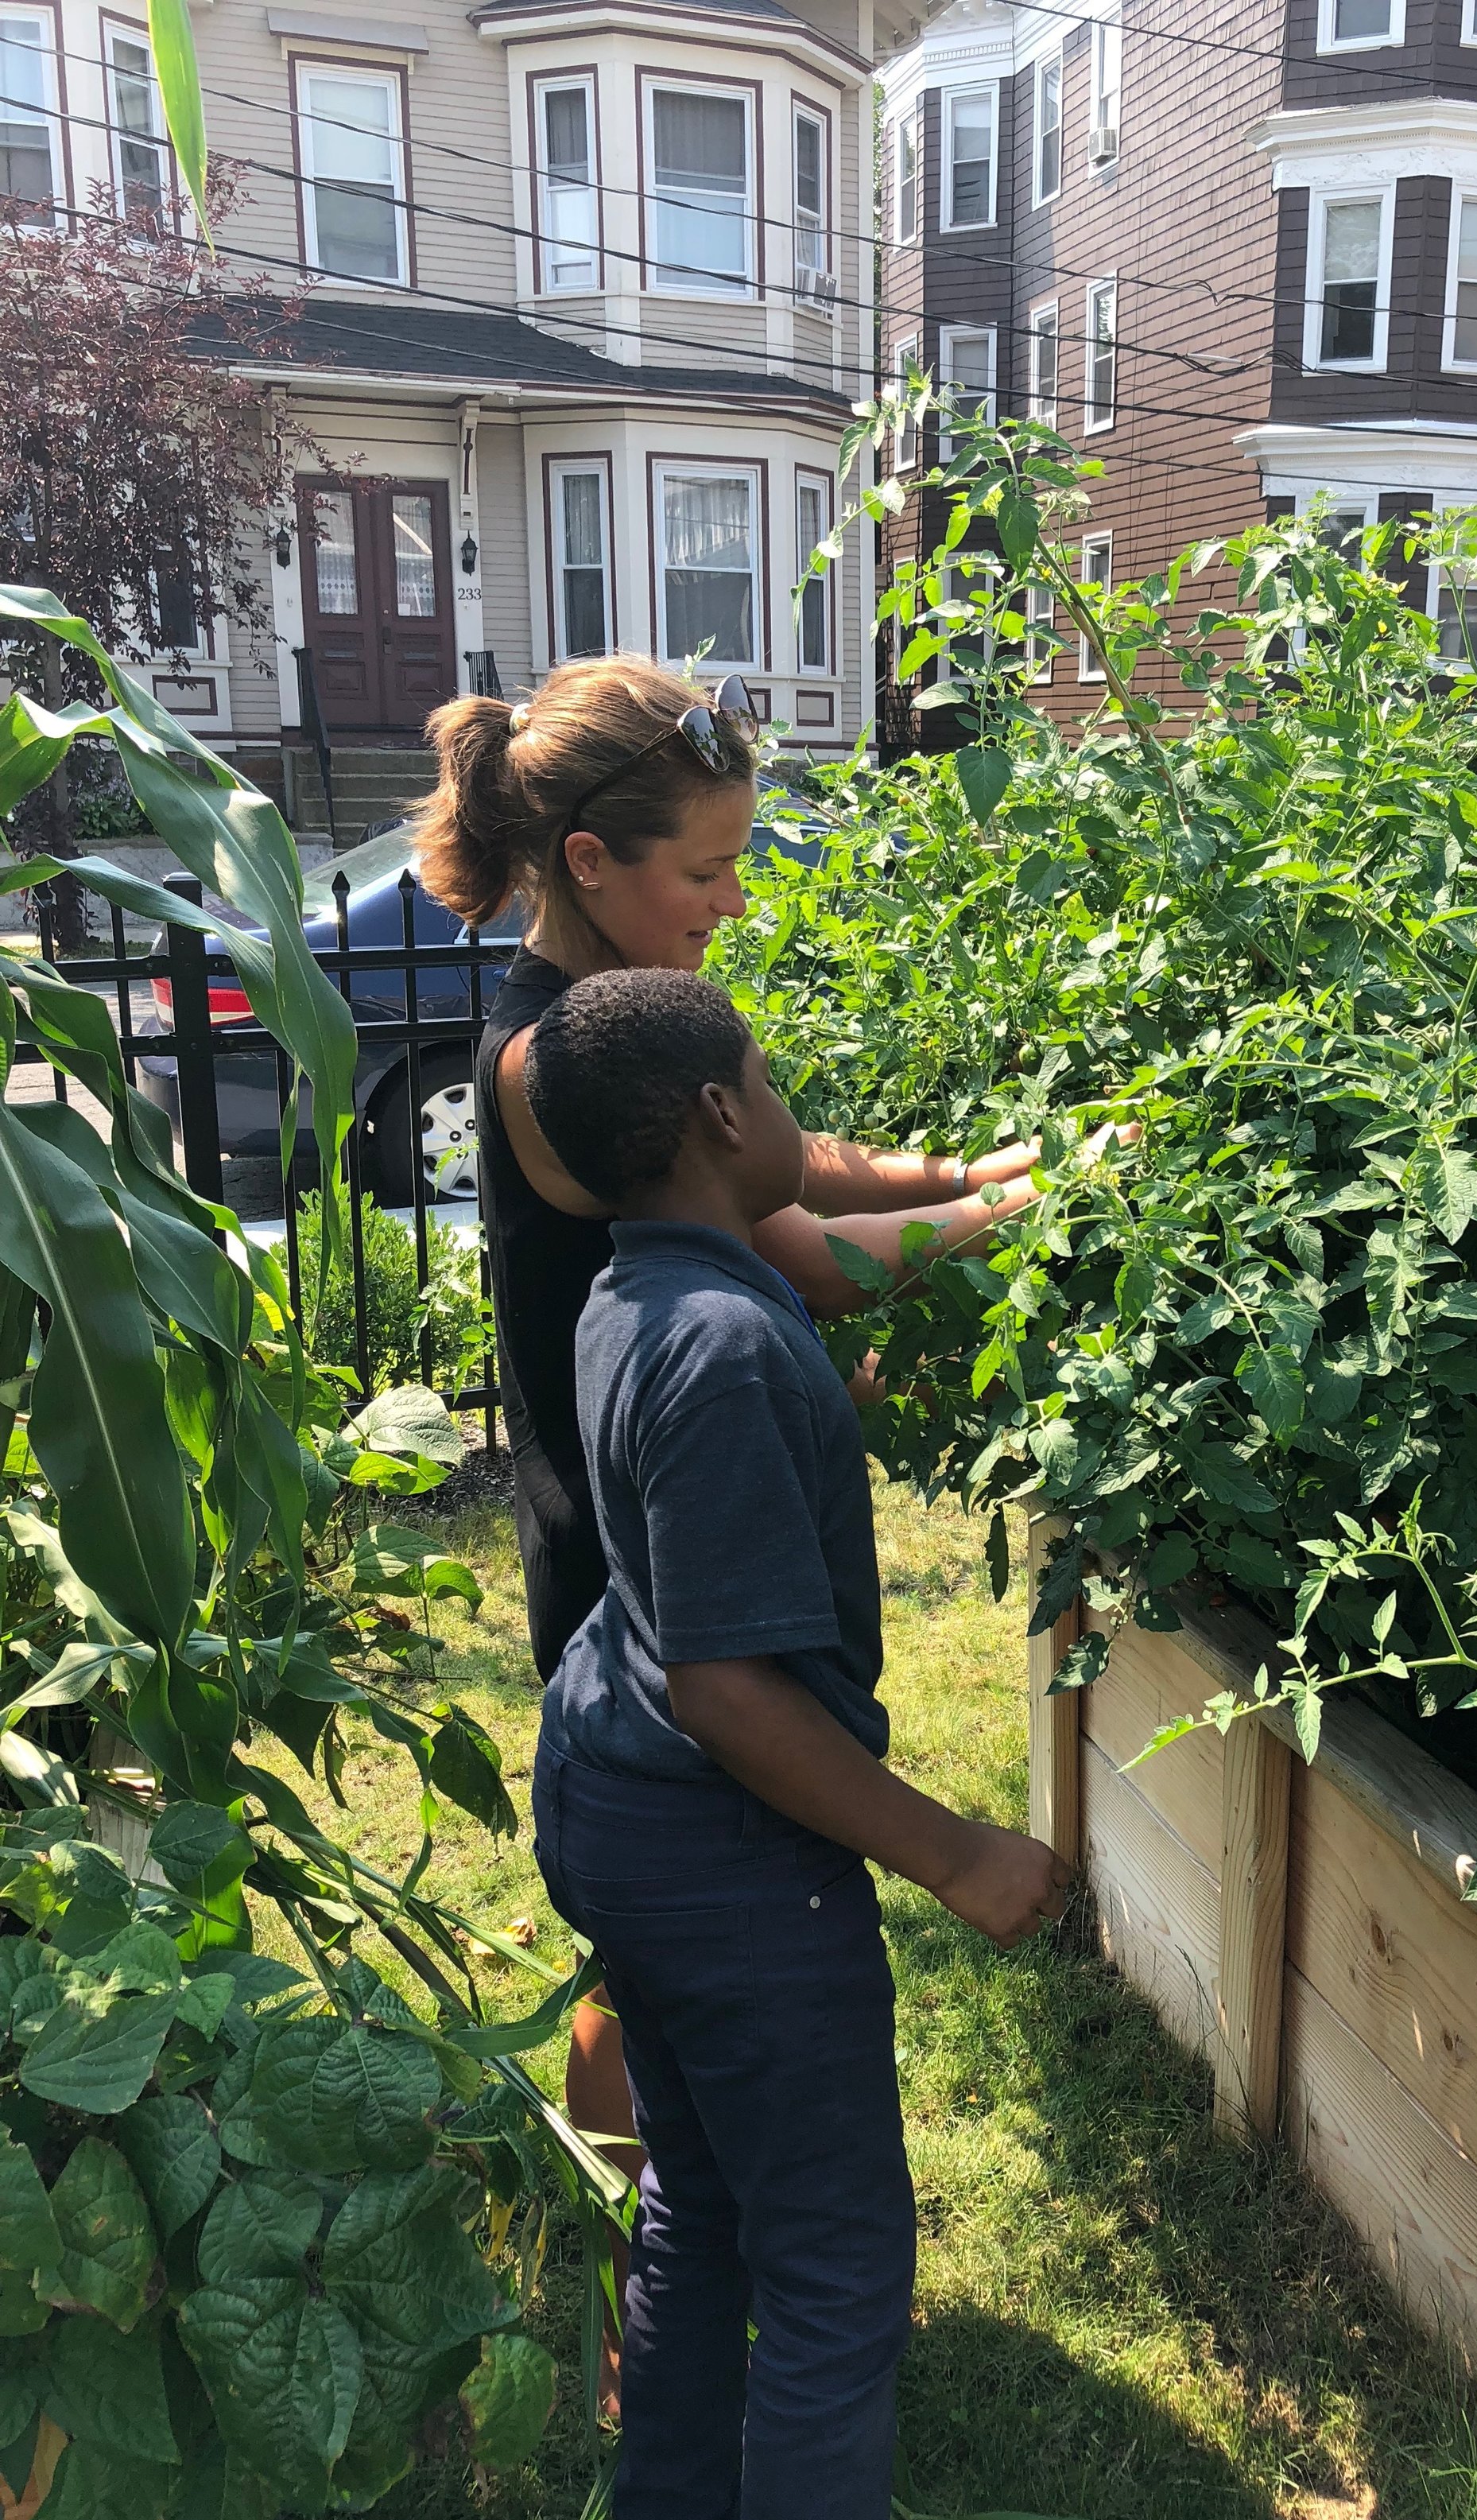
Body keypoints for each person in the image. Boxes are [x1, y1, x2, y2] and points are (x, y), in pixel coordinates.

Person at [410, 658, 1045, 2398]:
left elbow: (798, 1156)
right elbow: (798, 1254)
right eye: (705, 869)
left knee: (656, 1945)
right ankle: (646, 2281)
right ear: (593, 860)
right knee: (667, 1939)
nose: (730, 898)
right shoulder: (560, 1061)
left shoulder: (620, 1018)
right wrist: (1011, 1214)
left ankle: (665, 2250)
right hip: (627, 1555)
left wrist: (960, 1162)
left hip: (639, 1504)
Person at [525, 968, 1069, 2520]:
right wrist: (957, 1849)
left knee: (698, 2192)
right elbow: (730, 1688)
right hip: (722, 1861)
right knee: (836, 2275)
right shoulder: (717, 1345)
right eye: (769, 1078)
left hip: (612, 1805)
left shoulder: (640, 1287)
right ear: (711, 1114)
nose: (787, 1104)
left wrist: (999, 1191)